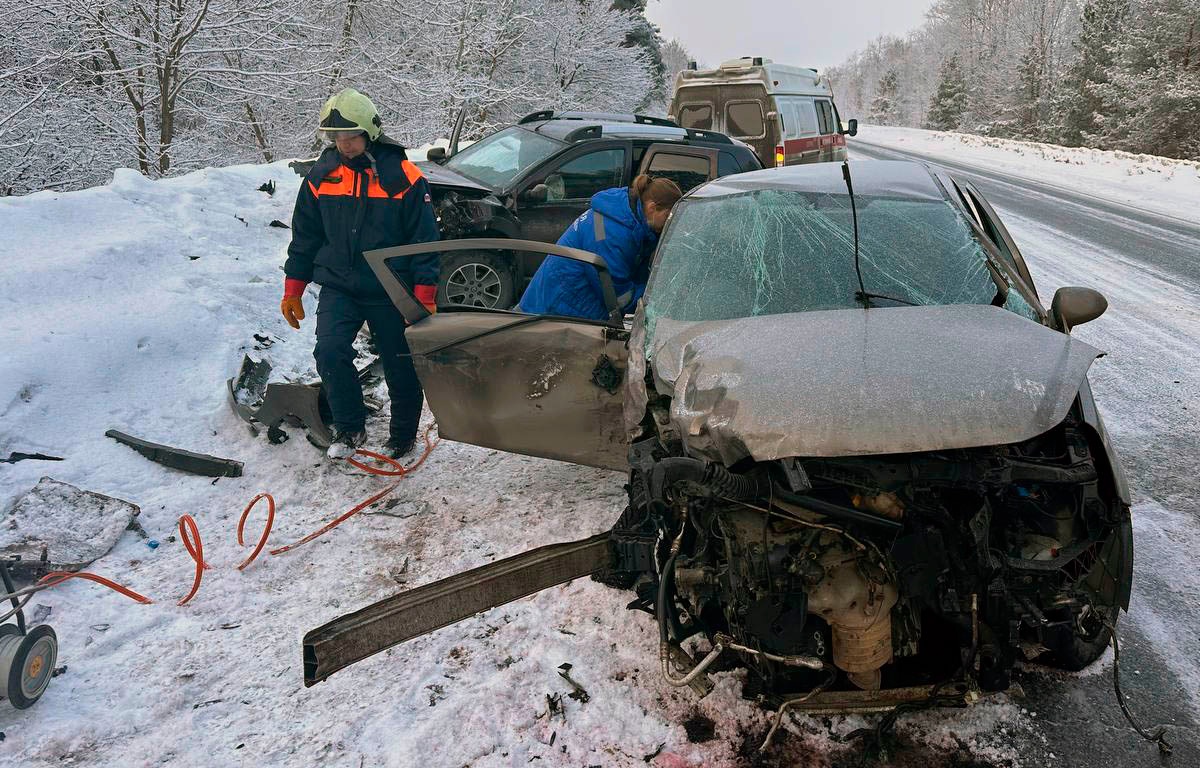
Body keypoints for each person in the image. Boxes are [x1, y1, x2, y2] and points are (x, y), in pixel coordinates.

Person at [280, 88, 440, 459]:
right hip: (340, 285)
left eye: (350, 136)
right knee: (330, 351)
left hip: (391, 287)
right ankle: (350, 428)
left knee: (399, 362)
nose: (344, 144)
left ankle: (402, 435)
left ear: (369, 132)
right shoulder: (323, 175)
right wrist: (293, 288)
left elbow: (424, 241)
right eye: (336, 138)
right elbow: (305, 236)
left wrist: (424, 295)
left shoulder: (405, 178)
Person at [518, 175, 682, 320]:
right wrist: (655, 300)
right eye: (668, 216)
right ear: (652, 207)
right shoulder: (611, 234)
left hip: (567, 304)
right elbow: (618, 296)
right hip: (552, 309)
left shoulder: (629, 219)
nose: (670, 224)